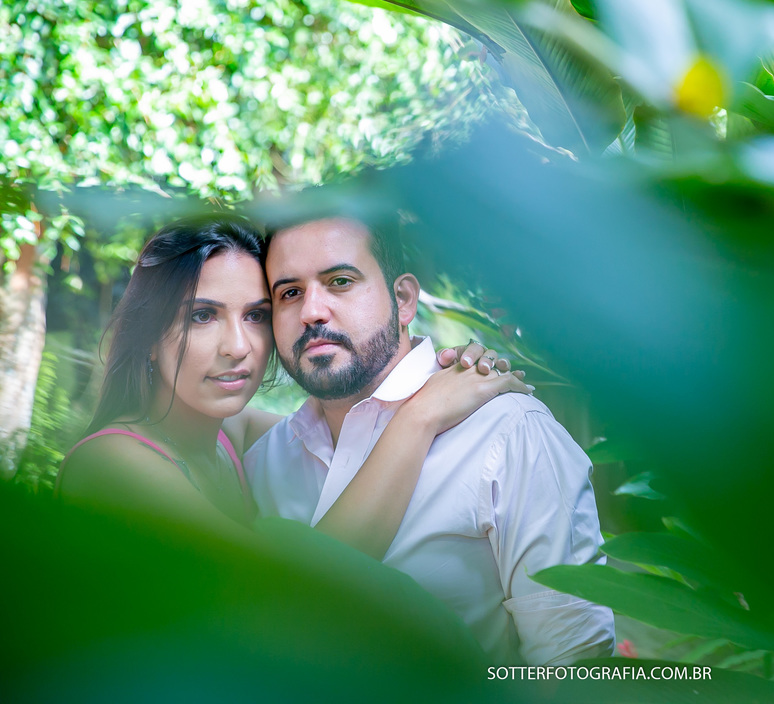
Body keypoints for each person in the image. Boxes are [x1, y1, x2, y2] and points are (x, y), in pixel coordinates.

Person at [246, 213, 615, 667]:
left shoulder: (508, 431)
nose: (312, 312)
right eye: (289, 293)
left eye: (340, 281)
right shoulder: (263, 462)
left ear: (403, 300)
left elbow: (574, 661)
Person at [56, 214, 529, 550]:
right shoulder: (111, 461)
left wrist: (451, 370)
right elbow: (286, 594)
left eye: (257, 315)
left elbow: (353, 424)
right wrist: (424, 415)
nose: (237, 346)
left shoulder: (231, 436)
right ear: (148, 336)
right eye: (202, 316)